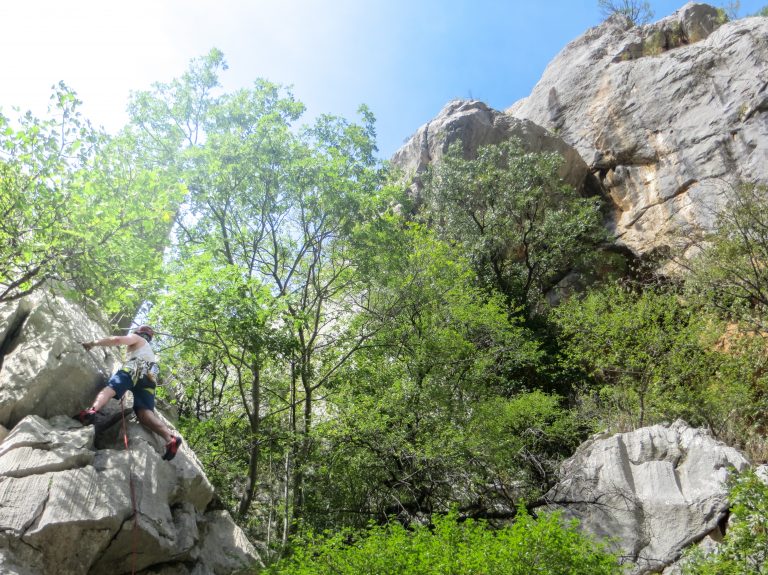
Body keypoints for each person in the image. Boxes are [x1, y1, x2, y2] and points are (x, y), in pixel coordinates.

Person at [77, 325, 183, 461]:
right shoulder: (149, 351)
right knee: (144, 412)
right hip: (150, 376)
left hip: (135, 367)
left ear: (139, 332)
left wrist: (92, 343)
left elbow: (117, 340)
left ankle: (92, 411)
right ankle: (170, 438)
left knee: (111, 387)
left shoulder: (138, 338)